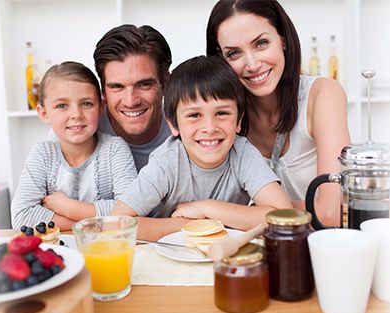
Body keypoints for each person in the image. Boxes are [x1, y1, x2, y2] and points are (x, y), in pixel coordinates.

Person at [206, 0, 350, 227]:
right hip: (259, 249)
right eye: (234, 53)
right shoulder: (222, 116)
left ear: (282, 38)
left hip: (322, 247)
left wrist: (227, 212)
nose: (252, 64)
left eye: (261, 43)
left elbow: (329, 214)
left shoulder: (322, 94)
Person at [113, 55, 293, 233]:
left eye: (222, 113)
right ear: (174, 124)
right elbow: (117, 223)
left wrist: (208, 209)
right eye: (194, 115)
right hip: (168, 254)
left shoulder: (243, 153)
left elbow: (285, 217)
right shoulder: (166, 162)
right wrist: (191, 225)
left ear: (238, 121)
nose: (209, 127)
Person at [11, 62, 138, 230]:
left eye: (86, 103)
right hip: (57, 251)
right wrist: (89, 226)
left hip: (106, 249)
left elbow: (130, 211)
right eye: (62, 106)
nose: (76, 114)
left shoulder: (115, 150)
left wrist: (68, 208)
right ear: (44, 113)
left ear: (101, 107)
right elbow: (22, 216)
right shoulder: (43, 154)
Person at [93, 24, 174, 171]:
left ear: (166, 83)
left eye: (144, 84)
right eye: (117, 87)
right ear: (103, 91)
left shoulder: (189, 131)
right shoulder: (78, 128)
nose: (131, 102)